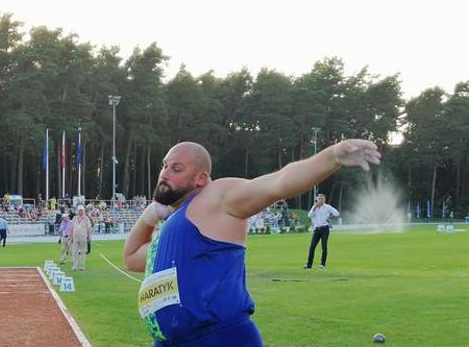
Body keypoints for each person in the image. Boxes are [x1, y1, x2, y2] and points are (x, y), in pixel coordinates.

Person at [123, 140, 380, 347]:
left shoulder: (215, 199)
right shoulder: (172, 228)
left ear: (201, 178)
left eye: (176, 169)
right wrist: (149, 217)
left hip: (217, 339)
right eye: (164, 166)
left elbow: (277, 183)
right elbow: (132, 257)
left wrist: (332, 156)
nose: (164, 173)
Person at [305, 194, 340, 269]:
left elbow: (337, 213)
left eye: (322, 198)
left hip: (325, 229)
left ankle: (322, 264)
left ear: (324, 200)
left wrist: (329, 217)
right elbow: (309, 215)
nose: (320, 200)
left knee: (324, 246)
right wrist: (315, 206)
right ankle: (309, 265)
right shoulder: (315, 207)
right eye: (319, 198)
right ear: (317, 199)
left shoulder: (327, 207)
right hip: (317, 229)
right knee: (312, 247)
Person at [70, 205, 92, 271]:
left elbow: (89, 228)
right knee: (74, 252)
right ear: (77, 211)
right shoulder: (74, 218)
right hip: (75, 237)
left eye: (82, 210)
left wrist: (89, 237)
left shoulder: (86, 218)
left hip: (83, 237)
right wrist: (71, 236)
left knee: (83, 252)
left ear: (84, 211)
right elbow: (71, 227)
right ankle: (74, 266)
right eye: (79, 210)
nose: (80, 211)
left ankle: (82, 266)